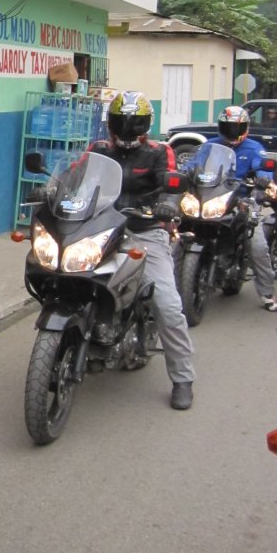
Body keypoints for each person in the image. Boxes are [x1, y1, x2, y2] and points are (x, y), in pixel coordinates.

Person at [89, 90, 197, 410]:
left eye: (133, 123)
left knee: (167, 303)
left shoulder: (160, 152)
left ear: (145, 126)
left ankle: (182, 377)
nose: (126, 129)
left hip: (144, 231)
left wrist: (167, 204)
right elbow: (76, 174)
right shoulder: (98, 150)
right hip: (101, 231)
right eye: (121, 122)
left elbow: (170, 182)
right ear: (111, 124)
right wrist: (51, 189)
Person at [186, 106, 277, 311]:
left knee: (257, 246)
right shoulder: (209, 146)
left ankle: (267, 293)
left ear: (244, 128)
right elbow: (193, 164)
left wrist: (264, 179)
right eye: (228, 127)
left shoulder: (254, 148)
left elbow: (263, 167)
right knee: (177, 230)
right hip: (211, 197)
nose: (232, 131)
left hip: (242, 199)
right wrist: (182, 173)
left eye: (236, 127)